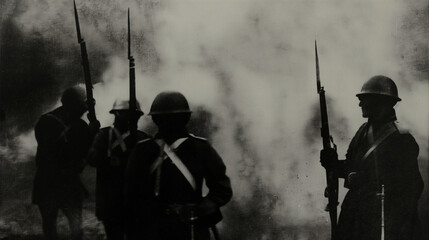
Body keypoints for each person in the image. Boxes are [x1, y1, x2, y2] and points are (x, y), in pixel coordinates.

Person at [321, 75, 424, 240]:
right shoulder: (363, 130)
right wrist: (333, 163)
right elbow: (351, 167)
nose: (360, 103)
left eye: (365, 99)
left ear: (380, 101)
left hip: (383, 219)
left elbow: (412, 187)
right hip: (355, 216)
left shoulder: (401, 138)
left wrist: (367, 182)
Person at [125, 91, 233, 240]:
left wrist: (205, 206)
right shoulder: (143, 150)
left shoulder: (201, 148)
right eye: (164, 118)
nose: (169, 122)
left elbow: (222, 187)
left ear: (184, 118)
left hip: (191, 226)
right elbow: (131, 192)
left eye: (174, 118)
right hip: (153, 227)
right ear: (157, 120)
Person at [32, 86, 98, 240]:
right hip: (49, 181)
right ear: (71, 105)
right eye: (83, 106)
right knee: (50, 227)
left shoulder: (81, 125)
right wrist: (88, 133)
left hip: (69, 182)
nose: (85, 110)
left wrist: (92, 136)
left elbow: (84, 154)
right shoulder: (47, 121)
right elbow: (55, 149)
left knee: (77, 229)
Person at [86, 99, 150, 240]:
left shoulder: (142, 138)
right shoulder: (104, 135)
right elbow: (92, 160)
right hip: (111, 199)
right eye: (127, 115)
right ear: (117, 115)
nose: (133, 119)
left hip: (134, 201)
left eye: (135, 116)